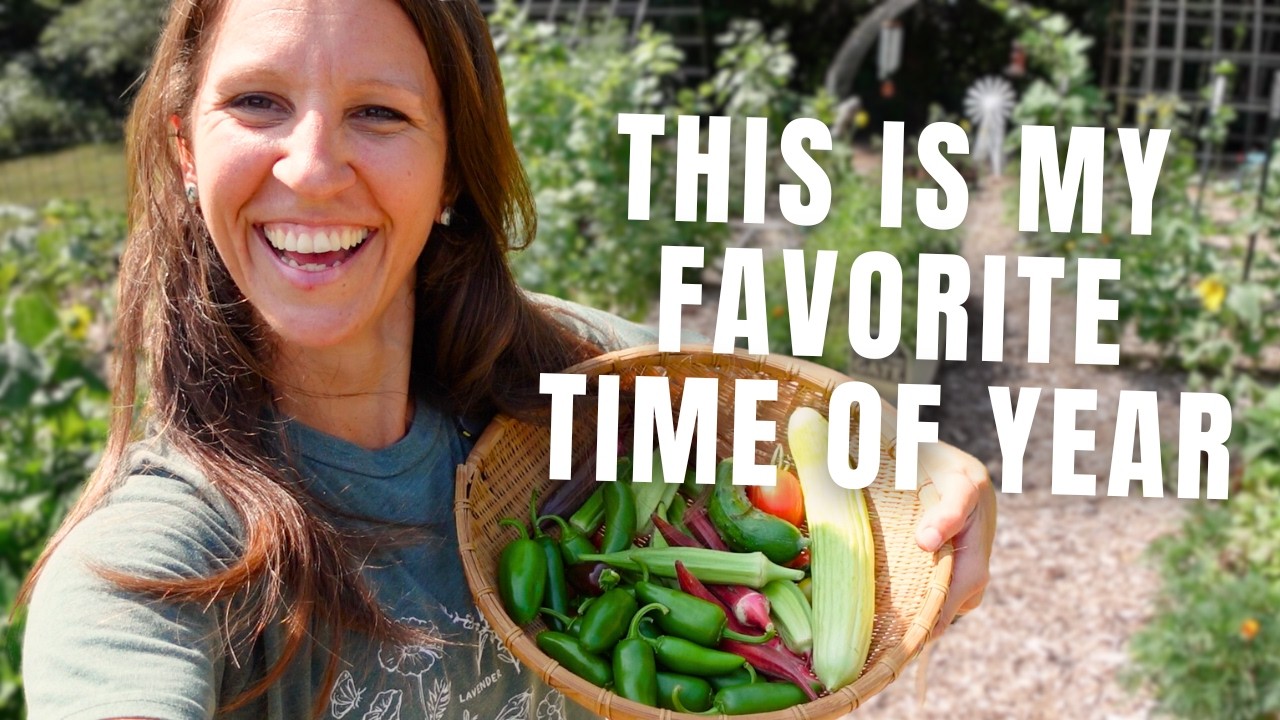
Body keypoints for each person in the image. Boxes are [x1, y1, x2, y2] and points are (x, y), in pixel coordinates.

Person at [17, 0, 996, 718]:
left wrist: (926, 478)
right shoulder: (157, 556)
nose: (310, 168)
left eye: (380, 114)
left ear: (450, 171)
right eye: (258, 102)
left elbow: (794, 434)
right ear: (186, 147)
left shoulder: (569, 375)